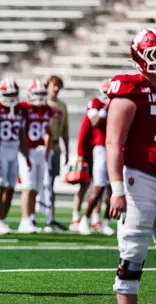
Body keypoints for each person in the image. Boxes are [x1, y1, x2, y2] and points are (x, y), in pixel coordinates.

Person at [106, 28, 156, 304]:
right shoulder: (130, 88)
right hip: (141, 178)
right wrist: (117, 189)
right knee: (134, 251)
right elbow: (114, 142)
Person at [0, 78, 30, 235]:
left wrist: (25, 156)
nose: (12, 96)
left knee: (11, 187)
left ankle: (3, 220)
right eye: (9, 93)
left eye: (14, 93)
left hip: (14, 149)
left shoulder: (20, 110)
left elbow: (22, 133)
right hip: (0, 148)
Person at [76, 79, 114, 236]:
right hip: (100, 148)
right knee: (99, 187)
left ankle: (105, 222)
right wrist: (106, 107)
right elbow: (96, 122)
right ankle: (84, 218)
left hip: (116, 147)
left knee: (113, 188)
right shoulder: (95, 103)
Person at [17, 79, 53, 233]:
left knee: (36, 188)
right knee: (28, 187)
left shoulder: (47, 109)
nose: (39, 97)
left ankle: (31, 218)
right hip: (28, 151)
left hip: (40, 151)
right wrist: (24, 154)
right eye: (37, 93)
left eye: (42, 94)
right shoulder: (24, 108)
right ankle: (24, 220)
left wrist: (47, 151)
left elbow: (48, 132)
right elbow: (21, 132)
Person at [36, 75, 69, 231]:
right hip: (41, 148)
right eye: (53, 85)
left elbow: (65, 130)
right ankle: (31, 216)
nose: (56, 89)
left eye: (58, 86)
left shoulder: (62, 105)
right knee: (37, 183)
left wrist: (67, 151)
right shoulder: (40, 103)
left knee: (52, 184)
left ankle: (51, 217)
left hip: (55, 147)